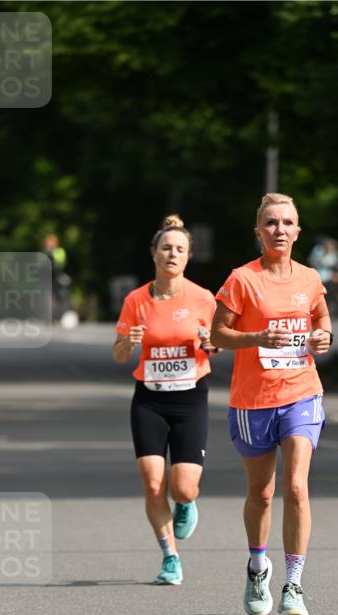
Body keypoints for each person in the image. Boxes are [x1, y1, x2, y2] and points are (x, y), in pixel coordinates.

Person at [211, 192, 332, 615]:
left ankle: (293, 585)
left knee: (296, 487)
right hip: (253, 401)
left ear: (298, 232)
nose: (279, 230)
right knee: (261, 494)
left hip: (301, 392)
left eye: (287, 223)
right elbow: (218, 334)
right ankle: (258, 566)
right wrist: (257, 338)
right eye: (271, 223)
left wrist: (324, 337)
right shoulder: (242, 279)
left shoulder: (310, 278)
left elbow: (321, 319)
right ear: (259, 232)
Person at [112, 215, 217, 585]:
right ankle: (170, 556)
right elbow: (119, 355)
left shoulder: (203, 298)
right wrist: (128, 343)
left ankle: (186, 503)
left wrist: (211, 343)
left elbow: (218, 343)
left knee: (182, 486)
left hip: (190, 399)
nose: (173, 254)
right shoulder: (135, 301)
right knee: (152, 481)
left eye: (180, 249)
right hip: (150, 400)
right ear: (154, 253)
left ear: (188, 257)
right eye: (166, 248)